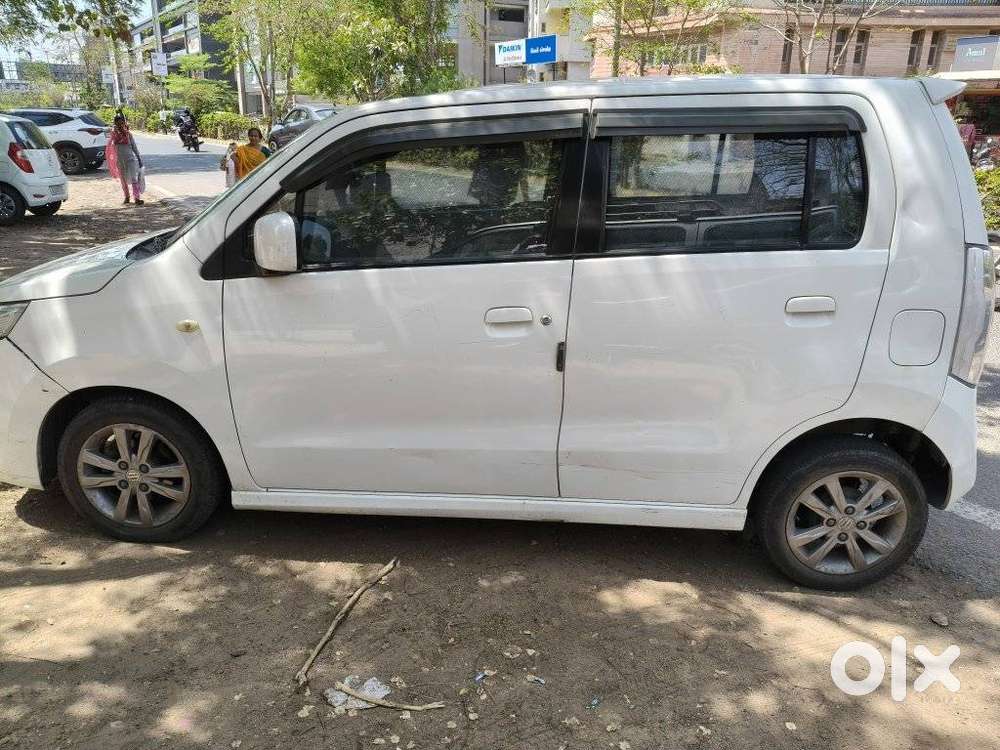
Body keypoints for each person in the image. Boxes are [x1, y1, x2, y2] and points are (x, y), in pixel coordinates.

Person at [105, 112, 144, 206]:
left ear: (124, 122)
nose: (120, 124)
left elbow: (134, 147)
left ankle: (137, 198)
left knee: (134, 178)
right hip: (119, 161)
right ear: (115, 123)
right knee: (123, 180)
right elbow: (109, 144)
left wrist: (139, 159)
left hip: (130, 159)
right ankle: (127, 197)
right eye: (118, 122)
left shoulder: (128, 134)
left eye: (121, 122)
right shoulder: (113, 134)